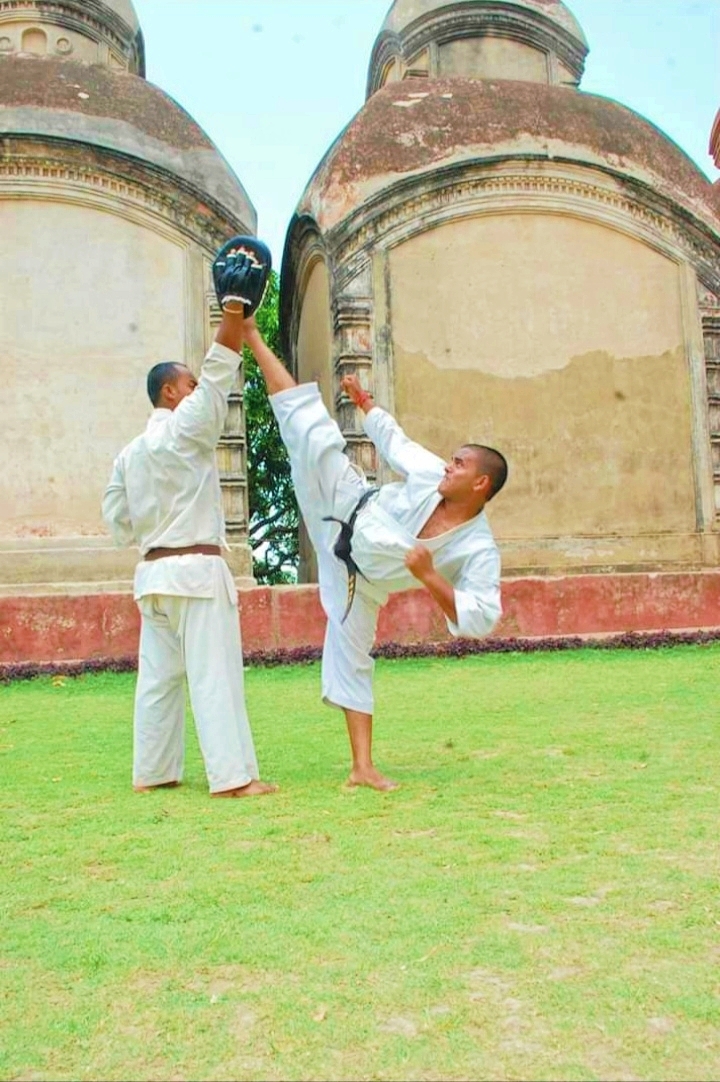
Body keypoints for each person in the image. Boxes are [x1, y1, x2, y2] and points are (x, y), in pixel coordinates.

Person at [241, 314, 507, 792]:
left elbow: (482, 616)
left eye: (461, 464)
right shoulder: (432, 474)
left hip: (360, 582)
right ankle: (252, 336)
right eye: (452, 459)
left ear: (481, 483)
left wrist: (431, 579)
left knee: (352, 656)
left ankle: (362, 768)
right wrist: (365, 405)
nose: (449, 465)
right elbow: (395, 443)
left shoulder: (478, 548)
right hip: (346, 503)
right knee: (312, 429)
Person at [102, 243, 276, 799]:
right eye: (189, 386)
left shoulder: (128, 454)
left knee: (157, 682)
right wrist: (232, 308)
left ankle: (153, 772)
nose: (196, 391)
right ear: (172, 391)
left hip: (152, 578)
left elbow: (119, 525)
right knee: (213, 677)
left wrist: (155, 535)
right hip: (196, 576)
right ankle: (233, 779)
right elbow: (220, 369)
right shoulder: (185, 429)